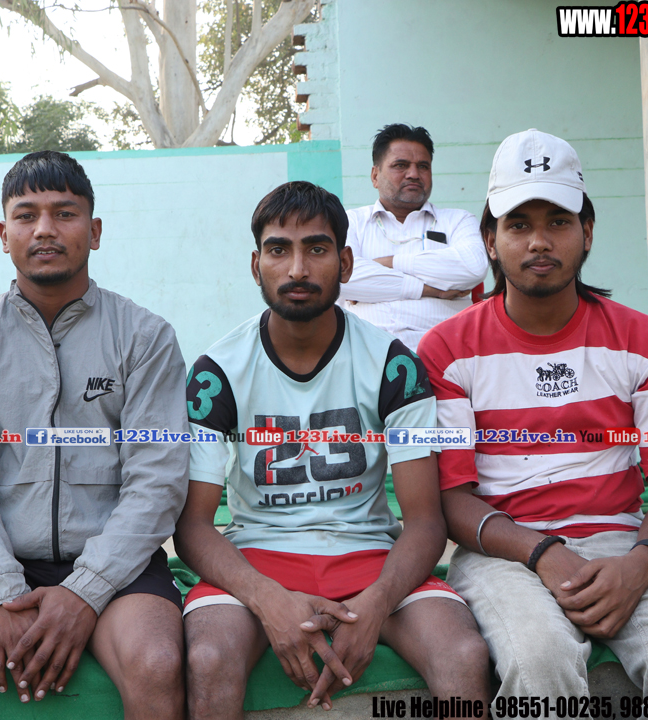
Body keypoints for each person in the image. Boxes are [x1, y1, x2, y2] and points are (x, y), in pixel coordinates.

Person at [418, 129, 648, 699]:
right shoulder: (447, 350)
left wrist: (642, 564)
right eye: (518, 224)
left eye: (559, 221)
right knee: (538, 661)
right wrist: (541, 552)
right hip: (502, 552)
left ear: (587, 232)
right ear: (490, 240)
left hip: (624, 544)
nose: (539, 241)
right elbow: (453, 500)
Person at [0, 151, 190, 720]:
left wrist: (85, 590)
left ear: (94, 232)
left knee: (156, 662)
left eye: (64, 213)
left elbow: (157, 482)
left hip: (118, 564)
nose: (45, 229)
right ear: (5, 235)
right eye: (26, 216)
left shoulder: (145, 337)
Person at [175, 181, 490, 719]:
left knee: (463, 654)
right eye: (279, 250)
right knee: (209, 658)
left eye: (316, 249)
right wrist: (266, 599)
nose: (297, 269)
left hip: (370, 557)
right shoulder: (216, 372)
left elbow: (424, 520)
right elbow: (194, 526)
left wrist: (377, 605)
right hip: (258, 555)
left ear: (345, 263)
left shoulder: (394, 364)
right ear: (255, 265)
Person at [340, 124, 488, 352]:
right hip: (365, 356)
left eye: (423, 166)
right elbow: (344, 279)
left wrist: (389, 264)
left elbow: (473, 267)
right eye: (400, 165)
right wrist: (431, 290)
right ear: (375, 176)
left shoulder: (458, 220)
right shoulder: (349, 222)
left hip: (448, 357)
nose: (414, 174)